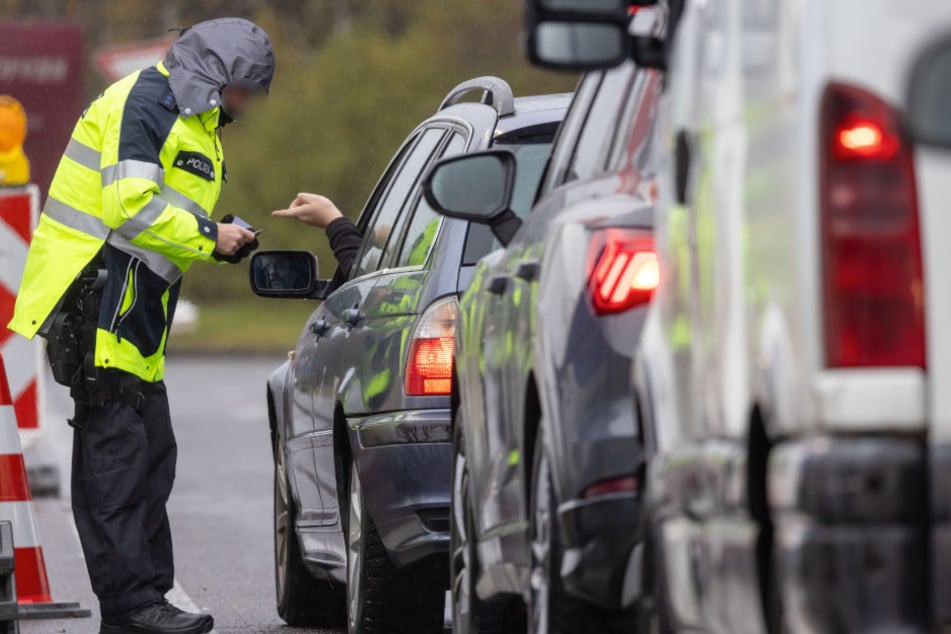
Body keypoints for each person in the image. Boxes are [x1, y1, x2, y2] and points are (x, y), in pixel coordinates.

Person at [7, 18, 273, 634]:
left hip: (131, 310)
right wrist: (213, 236)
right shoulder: (147, 100)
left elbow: (164, 206)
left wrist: (218, 236)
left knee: (149, 454)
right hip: (100, 299)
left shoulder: (190, 116)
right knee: (117, 460)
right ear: (213, 76)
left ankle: (145, 602)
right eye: (242, 90)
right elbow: (128, 205)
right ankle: (132, 607)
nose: (246, 104)